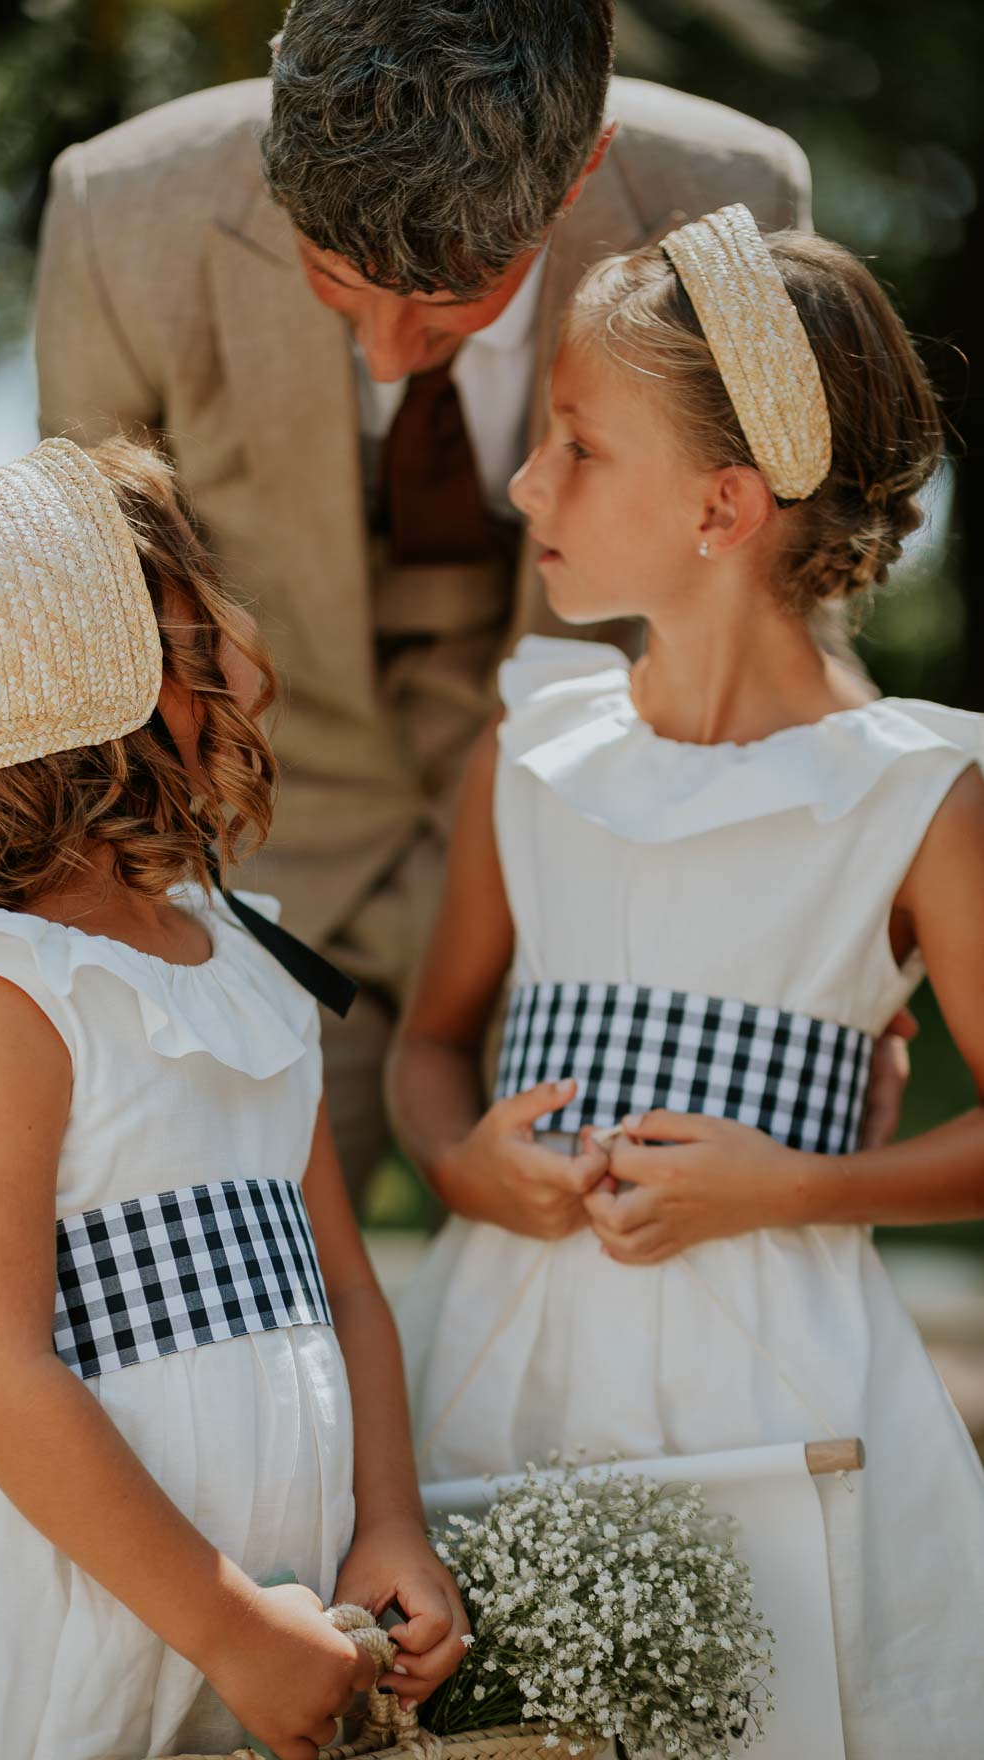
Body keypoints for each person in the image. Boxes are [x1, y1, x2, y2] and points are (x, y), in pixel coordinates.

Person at [33, 0, 835, 1196]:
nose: (387, 354)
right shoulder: (119, 213)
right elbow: (93, 611)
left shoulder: (730, 202)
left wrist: (832, 923)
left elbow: (778, 585)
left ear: (581, 174)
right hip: (262, 848)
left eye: (448, 301)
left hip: (597, 856)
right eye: (329, 277)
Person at [388, 206, 984, 1754]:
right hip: (502, 1369)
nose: (528, 484)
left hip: (777, 1386)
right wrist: (462, 1167)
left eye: (576, 444)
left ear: (722, 505)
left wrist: (785, 1189)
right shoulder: (534, 743)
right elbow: (431, 1045)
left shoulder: (911, 795)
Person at [0, 437, 466, 1760]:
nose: (231, 634)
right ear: (90, 683)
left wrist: (386, 1515)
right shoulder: (0, 994)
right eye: (189, 612)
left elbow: (343, 1285)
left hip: (277, 1617)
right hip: (68, 1635)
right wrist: (223, 1624)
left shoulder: (250, 961)